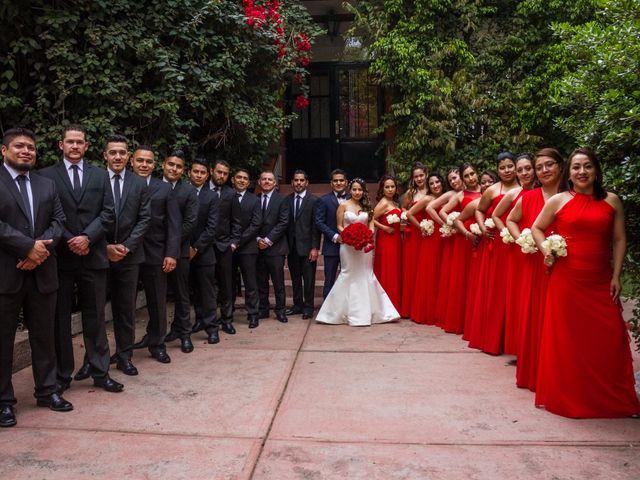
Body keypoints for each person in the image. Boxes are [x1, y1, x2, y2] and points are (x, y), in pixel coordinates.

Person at [532, 148, 640, 418]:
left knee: (609, 337)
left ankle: (611, 397)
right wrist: (547, 250)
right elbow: (536, 228)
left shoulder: (612, 201)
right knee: (569, 340)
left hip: (600, 279)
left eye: (588, 166)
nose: (582, 172)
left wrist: (616, 275)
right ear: (569, 173)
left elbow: (618, 239)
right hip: (566, 280)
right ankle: (572, 399)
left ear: (596, 170)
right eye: (577, 167)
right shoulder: (558, 201)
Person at [40, 125, 122, 393]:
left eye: (80, 142)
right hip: (61, 258)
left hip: (93, 255)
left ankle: (100, 371)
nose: (75, 146)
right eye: (70, 142)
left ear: (87, 146)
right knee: (60, 319)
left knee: (96, 316)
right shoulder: (46, 176)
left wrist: (87, 237)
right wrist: (69, 240)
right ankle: (62, 375)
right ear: (60, 145)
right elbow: (48, 215)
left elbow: (108, 213)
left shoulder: (100, 176)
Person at [0, 128, 73, 428]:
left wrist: (39, 249)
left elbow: (59, 221)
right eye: (19, 146)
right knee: (2, 340)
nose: (26, 151)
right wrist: (26, 246)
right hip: (7, 273)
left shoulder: (46, 184)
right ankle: (4, 401)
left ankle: (47, 390)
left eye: (30, 147)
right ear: (3, 150)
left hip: (43, 272)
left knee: (45, 336)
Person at [506, 148, 563, 391]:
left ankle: (559, 370)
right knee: (537, 313)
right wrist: (523, 239)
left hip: (565, 264)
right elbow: (509, 219)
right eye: (539, 167)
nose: (543, 171)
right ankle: (536, 371)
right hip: (534, 264)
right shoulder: (527, 198)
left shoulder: (570, 195)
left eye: (549, 165)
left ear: (561, 166)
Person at [316, 178, 400, 326]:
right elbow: (339, 226)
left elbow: (372, 224)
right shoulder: (343, 205)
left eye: (360, 190)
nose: (357, 192)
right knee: (347, 274)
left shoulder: (367, 206)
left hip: (364, 247)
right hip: (348, 246)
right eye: (354, 189)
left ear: (363, 191)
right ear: (350, 190)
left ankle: (371, 312)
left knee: (366, 274)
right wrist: (349, 236)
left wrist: (368, 236)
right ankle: (335, 313)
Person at [102, 135, 151, 376]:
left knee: (125, 310)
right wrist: (105, 247)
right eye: (113, 152)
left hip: (129, 257)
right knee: (95, 310)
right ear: (105, 155)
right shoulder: (95, 179)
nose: (118, 156)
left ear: (128, 157)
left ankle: (125, 356)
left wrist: (126, 247)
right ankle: (96, 360)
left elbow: (144, 218)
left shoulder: (139, 183)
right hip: (99, 256)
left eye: (122, 152)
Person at [130, 146, 180, 364]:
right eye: (140, 160)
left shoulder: (164, 188)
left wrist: (171, 253)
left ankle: (157, 343)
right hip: (127, 253)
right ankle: (124, 348)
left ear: (154, 165)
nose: (144, 164)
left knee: (157, 301)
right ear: (132, 161)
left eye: (148, 162)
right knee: (125, 303)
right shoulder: (122, 184)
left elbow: (174, 223)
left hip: (156, 253)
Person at [468, 152, 519, 354]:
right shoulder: (492, 190)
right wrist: (482, 227)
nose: (506, 170)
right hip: (497, 242)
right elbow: (479, 210)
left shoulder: (523, 188)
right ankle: (495, 336)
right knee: (498, 288)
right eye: (502, 167)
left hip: (519, 242)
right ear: (498, 170)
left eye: (510, 166)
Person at [491, 153, 536, 355]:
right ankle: (520, 343)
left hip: (543, 247)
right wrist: (508, 234)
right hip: (520, 248)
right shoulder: (514, 194)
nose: (524, 173)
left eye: (528, 169)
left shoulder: (549, 191)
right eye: (520, 170)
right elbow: (496, 215)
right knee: (520, 296)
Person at [440, 163, 482, 334]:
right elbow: (443, 211)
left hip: (483, 236)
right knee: (464, 278)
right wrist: (458, 227)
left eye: (472, 174)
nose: (471, 178)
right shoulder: (460, 195)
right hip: (465, 237)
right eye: (466, 176)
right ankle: (462, 321)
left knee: (478, 279)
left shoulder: (487, 189)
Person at [163, 150, 198, 354]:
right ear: (163, 165)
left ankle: (185, 334)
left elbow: (190, 222)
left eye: (178, 166)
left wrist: (172, 244)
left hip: (180, 251)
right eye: (171, 164)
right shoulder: (154, 187)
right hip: (155, 251)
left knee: (181, 294)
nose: (174, 169)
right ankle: (158, 334)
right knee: (158, 296)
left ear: (183, 171)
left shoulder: (188, 191)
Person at [188, 159, 220, 344]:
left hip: (204, 252)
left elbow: (212, 227)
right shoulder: (182, 191)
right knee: (191, 292)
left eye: (202, 172)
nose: (199, 175)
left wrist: (196, 248)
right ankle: (198, 321)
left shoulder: (211, 196)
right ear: (189, 173)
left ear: (207, 175)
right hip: (183, 252)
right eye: (195, 171)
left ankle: (211, 328)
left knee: (207, 293)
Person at [407, 172, 446, 324]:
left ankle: (440, 311)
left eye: (437, 182)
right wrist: (421, 227)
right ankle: (426, 312)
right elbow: (409, 214)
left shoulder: (448, 196)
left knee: (442, 274)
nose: (435, 186)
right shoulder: (428, 199)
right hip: (431, 239)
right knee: (430, 274)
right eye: (431, 184)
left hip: (445, 238)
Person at [427, 168, 464, 327]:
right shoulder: (451, 195)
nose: (454, 182)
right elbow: (430, 208)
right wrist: (446, 224)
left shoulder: (475, 191)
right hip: (456, 236)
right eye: (451, 180)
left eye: (455, 178)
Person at [209, 159, 242, 335]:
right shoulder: (201, 190)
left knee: (226, 285)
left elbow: (237, 221)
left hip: (225, 246)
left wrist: (234, 242)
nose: (221, 176)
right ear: (211, 171)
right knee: (205, 284)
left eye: (225, 173)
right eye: (219, 172)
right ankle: (206, 319)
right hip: (204, 246)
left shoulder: (231, 194)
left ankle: (227, 319)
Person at [285, 170, 320, 319]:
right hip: (292, 247)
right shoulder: (287, 200)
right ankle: (297, 305)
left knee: (309, 279)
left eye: (301, 180)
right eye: (296, 180)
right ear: (292, 182)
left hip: (307, 248)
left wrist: (314, 247)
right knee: (295, 279)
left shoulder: (314, 200)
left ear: (307, 182)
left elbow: (315, 226)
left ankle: (308, 307)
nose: (298, 183)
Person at [256, 171, 290, 323]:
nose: (267, 182)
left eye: (270, 179)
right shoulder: (254, 199)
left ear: (275, 183)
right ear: (259, 182)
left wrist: (268, 240)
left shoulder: (282, 200)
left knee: (278, 282)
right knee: (261, 281)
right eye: (264, 179)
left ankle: (280, 310)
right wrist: (258, 239)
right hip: (257, 247)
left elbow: (283, 222)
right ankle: (263, 309)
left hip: (276, 248)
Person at [231, 168, 262, 328]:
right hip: (227, 248)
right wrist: (229, 242)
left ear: (249, 182)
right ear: (233, 179)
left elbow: (256, 224)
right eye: (239, 177)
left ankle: (253, 314)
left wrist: (237, 241)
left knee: (250, 282)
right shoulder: (226, 196)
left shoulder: (254, 200)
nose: (242, 180)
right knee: (228, 282)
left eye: (245, 178)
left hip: (247, 247)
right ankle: (227, 315)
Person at [399, 163, 429, 318]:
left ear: (426, 174)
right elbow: (403, 209)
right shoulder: (411, 193)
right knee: (412, 267)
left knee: (425, 269)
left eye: (421, 175)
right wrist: (405, 215)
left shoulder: (432, 189)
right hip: (414, 234)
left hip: (429, 232)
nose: (419, 178)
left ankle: (424, 306)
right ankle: (410, 307)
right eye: (416, 176)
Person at [314, 169, 348, 298]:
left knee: (348, 278)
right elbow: (319, 222)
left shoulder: (353, 198)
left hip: (350, 247)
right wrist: (334, 236)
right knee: (329, 280)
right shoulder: (323, 200)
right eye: (335, 181)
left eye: (341, 180)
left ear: (346, 182)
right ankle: (327, 311)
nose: (338, 183)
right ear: (331, 183)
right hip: (331, 247)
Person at [372, 174, 402, 311]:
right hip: (386, 239)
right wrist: (385, 228)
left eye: (392, 186)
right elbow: (371, 218)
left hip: (396, 239)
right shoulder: (383, 203)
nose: (390, 189)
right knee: (387, 269)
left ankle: (395, 303)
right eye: (387, 187)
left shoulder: (395, 203)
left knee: (395, 269)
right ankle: (386, 305)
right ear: (382, 189)